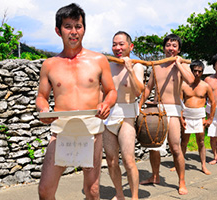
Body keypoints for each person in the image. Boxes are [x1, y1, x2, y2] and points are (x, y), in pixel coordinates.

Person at [35, 3, 117, 200]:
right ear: (58, 30)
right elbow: (41, 96)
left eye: (78, 26)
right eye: (68, 26)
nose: (74, 32)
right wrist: (44, 109)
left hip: (92, 130)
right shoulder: (49, 64)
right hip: (61, 129)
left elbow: (111, 90)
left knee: (93, 191)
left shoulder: (98, 60)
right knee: (45, 191)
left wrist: (106, 104)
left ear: (84, 29)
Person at [139, 34, 194, 195]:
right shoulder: (156, 65)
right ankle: (154, 176)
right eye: (168, 45)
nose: (171, 48)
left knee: (175, 147)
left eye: (174, 45)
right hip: (157, 109)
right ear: (164, 48)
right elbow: (149, 88)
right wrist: (139, 106)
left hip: (174, 109)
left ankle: (181, 181)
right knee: (153, 146)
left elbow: (190, 80)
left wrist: (179, 64)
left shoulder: (183, 64)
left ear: (179, 49)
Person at [103, 31, 144, 200]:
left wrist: (130, 70)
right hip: (109, 116)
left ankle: (134, 197)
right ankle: (119, 194)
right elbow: (101, 91)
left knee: (128, 160)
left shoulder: (137, 66)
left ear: (130, 46)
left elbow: (138, 92)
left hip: (127, 115)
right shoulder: (108, 65)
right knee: (111, 161)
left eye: (121, 44)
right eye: (114, 44)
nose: (117, 48)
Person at [179, 60, 215, 175]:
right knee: (184, 142)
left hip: (200, 116)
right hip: (187, 114)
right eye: (195, 71)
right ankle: (179, 164)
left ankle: (203, 165)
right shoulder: (184, 85)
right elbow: (179, 102)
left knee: (201, 141)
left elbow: (213, 102)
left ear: (202, 72)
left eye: (200, 71)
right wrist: (181, 118)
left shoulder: (205, 86)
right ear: (191, 71)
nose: (197, 74)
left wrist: (210, 119)